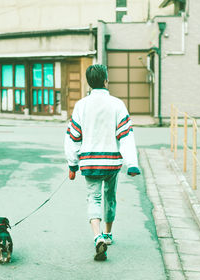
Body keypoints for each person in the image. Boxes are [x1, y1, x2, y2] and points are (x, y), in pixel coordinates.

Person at [64, 64, 140, 261]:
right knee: (110, 197)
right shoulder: (117, 104)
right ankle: (108, 234)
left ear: (88, 83)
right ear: (106, 80)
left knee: (93, 198)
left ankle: (97, 235)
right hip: (112, 163)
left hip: (89, 163)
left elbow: (73, 137)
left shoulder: (81, 105)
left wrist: (72, 165)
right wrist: (132, 163)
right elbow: (125, 136)